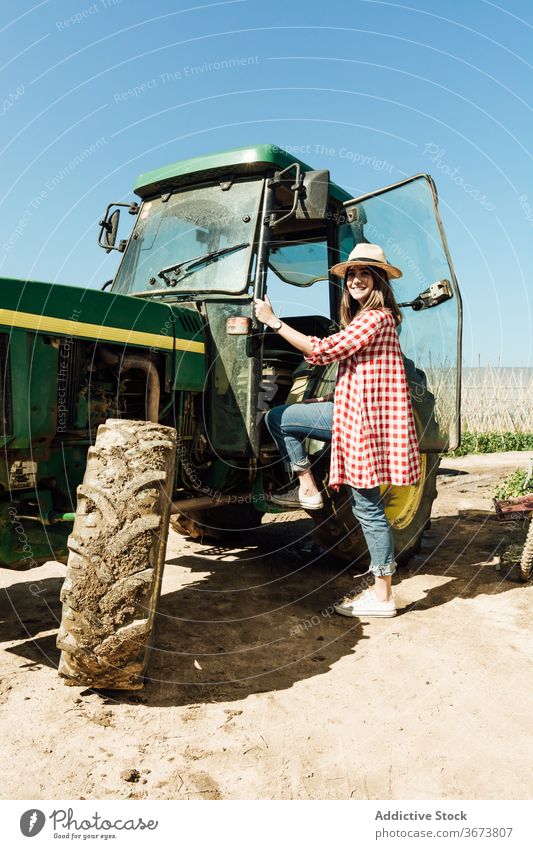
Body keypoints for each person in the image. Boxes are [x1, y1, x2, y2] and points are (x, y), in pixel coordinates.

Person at [254, 243, 421, 618]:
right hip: (349, 411)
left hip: (361, 424)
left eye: (365, 273)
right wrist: (329, 398)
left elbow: (322, 350)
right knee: (281, 416)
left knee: (369, 508)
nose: (356, 280)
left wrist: (273, 321)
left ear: (378, 280)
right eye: (351, 274)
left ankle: (382, 596)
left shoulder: (375, 317)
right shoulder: (370, 319)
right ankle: (309, 487)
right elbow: (360, 374)